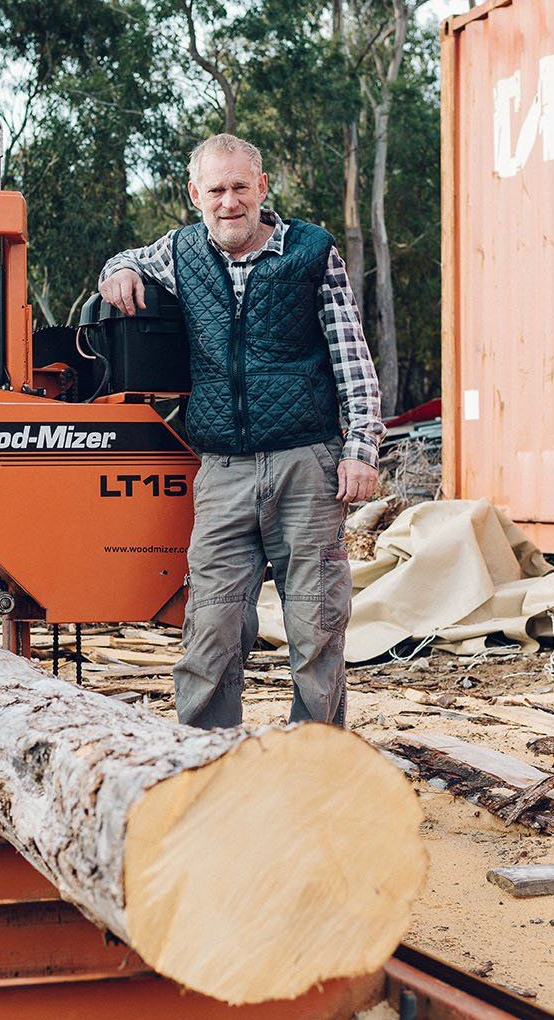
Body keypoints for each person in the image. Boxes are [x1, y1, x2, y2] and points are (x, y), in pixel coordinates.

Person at [97, 133, 383, 729]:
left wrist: (361, 448)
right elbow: (124, 261)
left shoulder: (311, 250)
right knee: (211, 626)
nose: (229, 202)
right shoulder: (180, 251)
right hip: (223, 470)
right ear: (195, 194)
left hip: (307, 463)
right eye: (215, 191)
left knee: (316, 624)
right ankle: (207, 757)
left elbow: (351, 355)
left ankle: (316, 756)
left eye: (239, 187)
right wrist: (117, 270)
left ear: (262, 187)